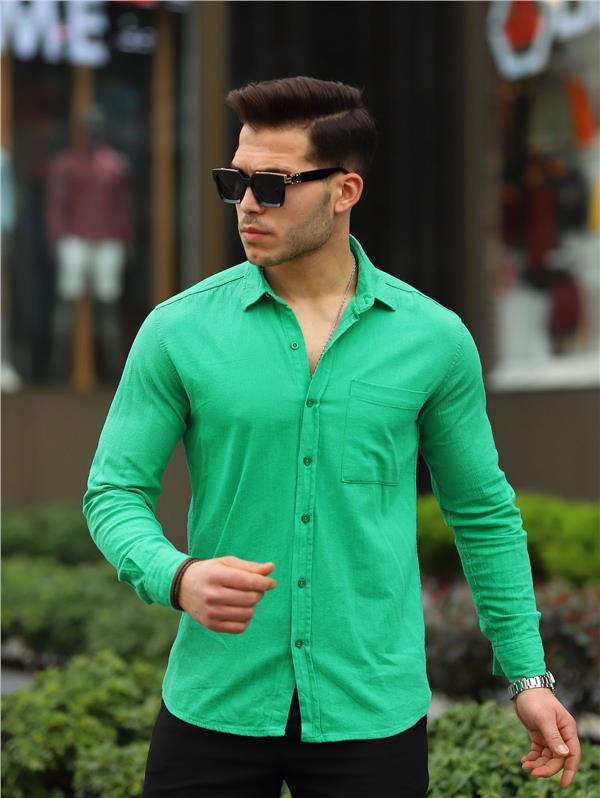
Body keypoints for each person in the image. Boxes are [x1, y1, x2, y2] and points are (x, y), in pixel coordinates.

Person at [83, 76, 581, 798]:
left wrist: (528, 676)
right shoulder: (177, 331)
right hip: (215, 700)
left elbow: (483, 514)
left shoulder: (434, 340)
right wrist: (177, 575)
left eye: (273, 186)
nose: (247, 205)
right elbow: (114, 491)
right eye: (235, 182)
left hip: (371, 710)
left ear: (345, 191)